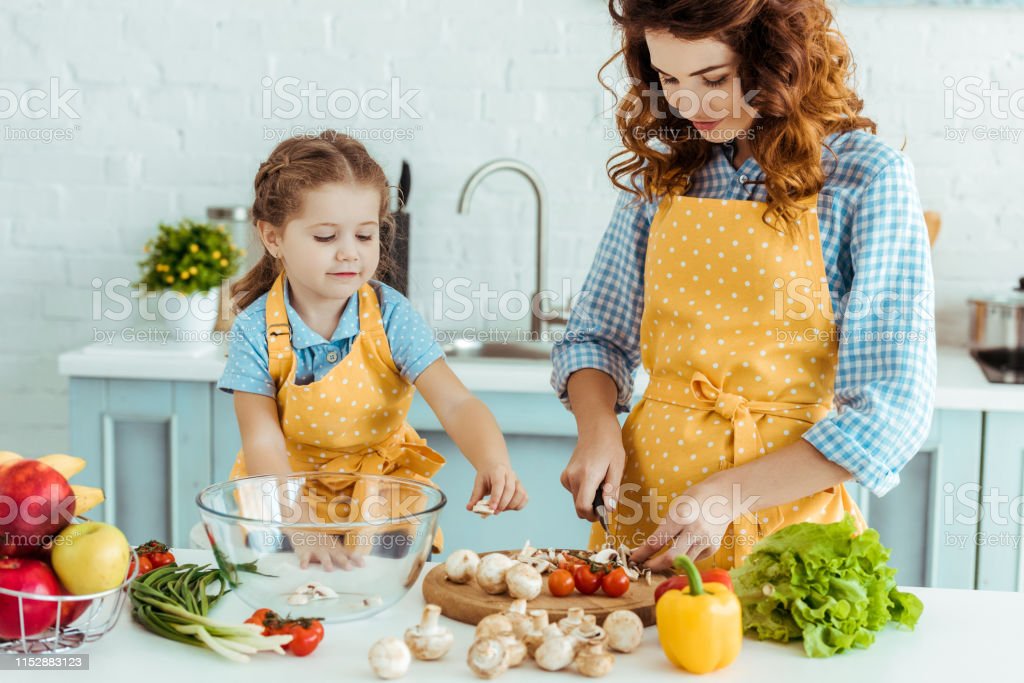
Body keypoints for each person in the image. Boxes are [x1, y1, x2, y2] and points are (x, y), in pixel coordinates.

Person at [553, 0, 935, 571]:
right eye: (669, 78)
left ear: (778, 61)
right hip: (646, 505)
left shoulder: (863, 175)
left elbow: (890, 409)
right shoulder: (666, 173)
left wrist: (727, 495)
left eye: (714, 79)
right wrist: (598, 428)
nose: (688, 104)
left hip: (784, 520)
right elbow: (595, 338)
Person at [218, 130, 527, 569]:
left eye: (365, 236)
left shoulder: (391, 316)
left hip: (384, 495)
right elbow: (261, 440)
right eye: (326, 237)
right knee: (294, 602)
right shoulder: (254, 330)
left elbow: (456, 402)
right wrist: (301, 525)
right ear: (272, 237)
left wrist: (493, 460)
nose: (350, 254)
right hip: (286, 498)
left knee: (382, 601)